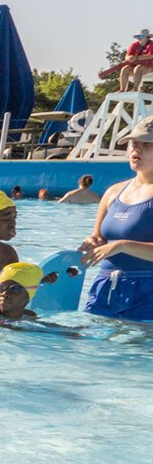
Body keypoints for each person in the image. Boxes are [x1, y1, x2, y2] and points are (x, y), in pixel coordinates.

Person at [80, 116, 153, 321]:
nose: (136, 150)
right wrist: (91, 243)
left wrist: (122, 245)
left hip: (148, 290)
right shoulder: (113, 192)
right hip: (105, 286)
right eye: (134, 143)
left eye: (146, 144)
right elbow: (98, 238)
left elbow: (117, 245)